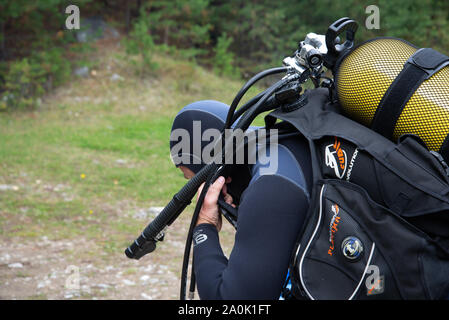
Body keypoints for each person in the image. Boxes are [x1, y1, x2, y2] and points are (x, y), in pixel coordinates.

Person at [169, 100, 312, 299]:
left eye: (194, 181)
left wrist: (205, 226)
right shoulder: (284, 146)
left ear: (216, 173)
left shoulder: (269, 189)